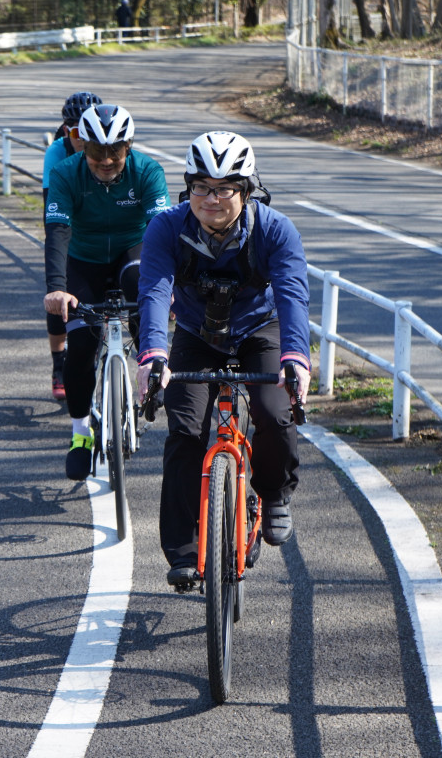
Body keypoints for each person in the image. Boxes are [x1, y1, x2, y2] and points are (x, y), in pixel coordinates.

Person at [136, 131, 310, 588]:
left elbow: (293, 296)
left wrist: (296, 358)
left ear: (247, 189)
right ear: (188, 187)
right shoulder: (167, 228)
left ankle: (272, 493)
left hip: (259, 330)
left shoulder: (275, 230)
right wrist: (151, 354)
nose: (211, 199)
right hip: (195, 335)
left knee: (275, 413)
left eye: (225, 188)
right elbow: (153, 291)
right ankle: (184, 548)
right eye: (201, 187)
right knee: (185, 431)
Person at [44, 104, 171, 481]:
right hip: (83, 261)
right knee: (81, 347)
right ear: (82, 146)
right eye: (96, 152)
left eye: (114, 151)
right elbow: (57, 233)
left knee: (143, 288)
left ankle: (149, 368)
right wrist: (56, 288)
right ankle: (80, 432)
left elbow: (161, 230)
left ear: (128, 146)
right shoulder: (65, 173)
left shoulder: (147, 171)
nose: (105, 160)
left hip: (132, 253)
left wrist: (170, 286)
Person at [42, 91, 103, 402]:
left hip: (100, 231)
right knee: (60, 299)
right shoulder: (57, 152)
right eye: (76, 132)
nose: (82, 138)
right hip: (69, 226)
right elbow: (50, 211)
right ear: (66, 131)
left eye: (88, 130)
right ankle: (58, 364)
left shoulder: (108, 149)